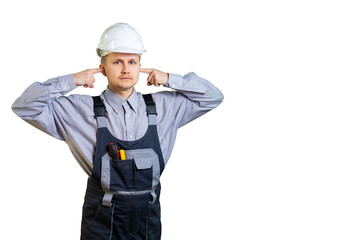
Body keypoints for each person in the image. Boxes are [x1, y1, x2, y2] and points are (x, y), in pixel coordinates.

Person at [12, 23, 223, 240]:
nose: (125, 69)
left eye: (132, 61)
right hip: (101, 222)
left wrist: (170, 78)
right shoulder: (79, 111)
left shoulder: (165, 107)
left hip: (147, 220)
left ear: (141, 65)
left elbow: (213, 97)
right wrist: (72, 79)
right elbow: (25, 107)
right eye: (117, 62)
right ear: (102, 68)